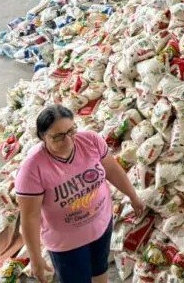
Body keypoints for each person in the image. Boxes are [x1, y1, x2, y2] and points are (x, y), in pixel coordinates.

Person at [15, 105, 145, 283]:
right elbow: (30, 217)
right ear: (43, 137)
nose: (68, 140)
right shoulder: (32, 168)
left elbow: (113, 170)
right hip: (67, 245)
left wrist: (134, 197)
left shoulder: (90, 140)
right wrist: (36, 258)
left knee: (100, 270)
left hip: (101, 226)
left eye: (71, 131)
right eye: (58, 136)